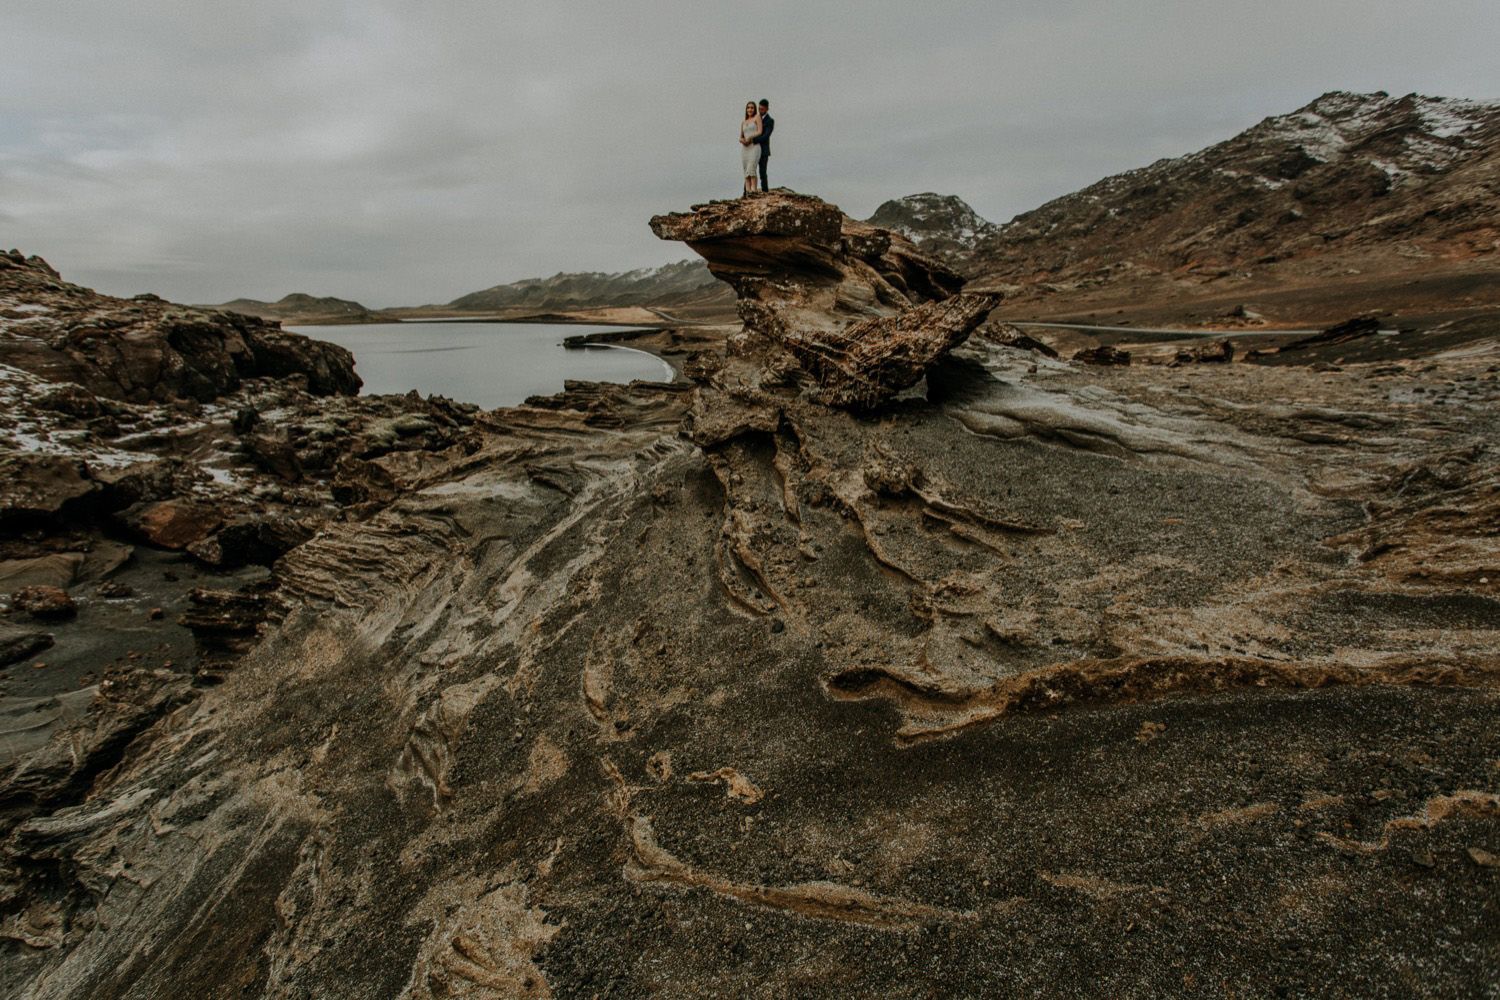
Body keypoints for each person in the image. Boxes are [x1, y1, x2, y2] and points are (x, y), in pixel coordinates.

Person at [739, 101, 762, 195]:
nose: (750, 109)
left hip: (754, 146)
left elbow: (760, 131)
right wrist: (742, 140)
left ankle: (754, 190)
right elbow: (740, 136)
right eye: (748, 107)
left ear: (754, 109)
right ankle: (748, 192)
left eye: (752, 107)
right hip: (745, 149)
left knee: (751, 168)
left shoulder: (757, 117)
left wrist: (750, 137)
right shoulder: (743, 122)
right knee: (746, 171)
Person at [755, 99, 774, 192]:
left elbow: (766, 136)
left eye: (762, 109)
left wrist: (753, 140)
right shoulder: (756, 118)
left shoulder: (770, 121)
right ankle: (747, 191)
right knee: (750, 170)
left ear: (767, 109)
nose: (760, 111)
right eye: (759, 109)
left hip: (763, 150)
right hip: (753, 150)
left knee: (762, 172)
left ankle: (765, 191)